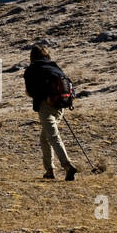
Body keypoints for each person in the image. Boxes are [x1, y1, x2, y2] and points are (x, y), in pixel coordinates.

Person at [23, 45, 78, 181]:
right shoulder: (54, 66)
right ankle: (50, 170)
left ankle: (67, 165)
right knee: (45, 137)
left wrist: (42, 97)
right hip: (61, 104)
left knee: (53, 136)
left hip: (46, 105)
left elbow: (30, 91)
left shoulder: (32, 69)